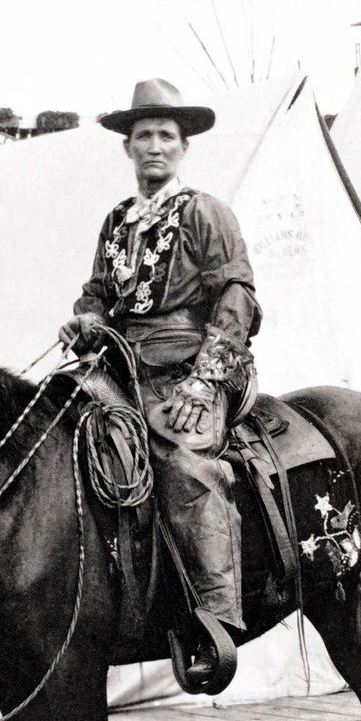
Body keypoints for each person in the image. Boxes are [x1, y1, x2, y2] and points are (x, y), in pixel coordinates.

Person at [60, 78, 260, 679]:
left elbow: (237, 294)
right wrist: (87, 320)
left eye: (165, 136)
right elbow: (98, 292)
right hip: (118, 368)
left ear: (183, 147)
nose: (154, 146)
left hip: (188, 370)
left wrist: (205, 382)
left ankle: (216, 619)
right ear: (127, 147)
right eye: (142, 135)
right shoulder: (117, 221)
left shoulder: (206, 212)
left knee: (183, 464)